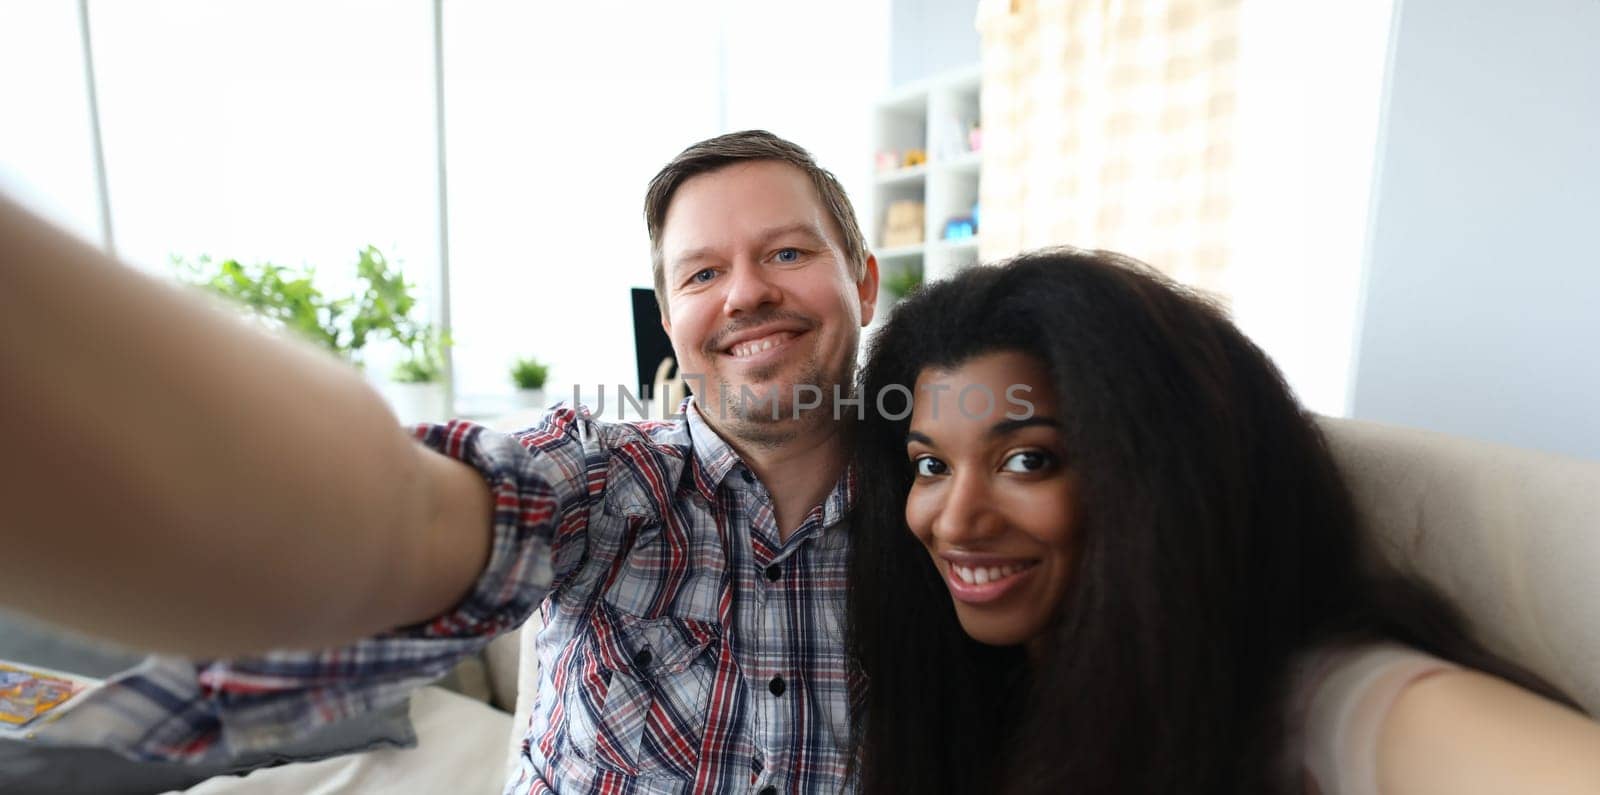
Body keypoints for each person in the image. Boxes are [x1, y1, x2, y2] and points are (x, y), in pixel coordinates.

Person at [0, 129, 877, 792]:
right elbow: (412, 517)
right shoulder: (606, 478)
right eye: (699, 275)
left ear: (865, 283)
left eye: (787, 252)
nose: (745, 292)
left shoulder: (947, 513)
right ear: (671, 319)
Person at [846, 249, 1600, 794]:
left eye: (1028, 461)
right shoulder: (989, 683)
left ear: (1158, 475)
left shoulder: (1322, 702)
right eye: (932, 466)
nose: (957, 519)